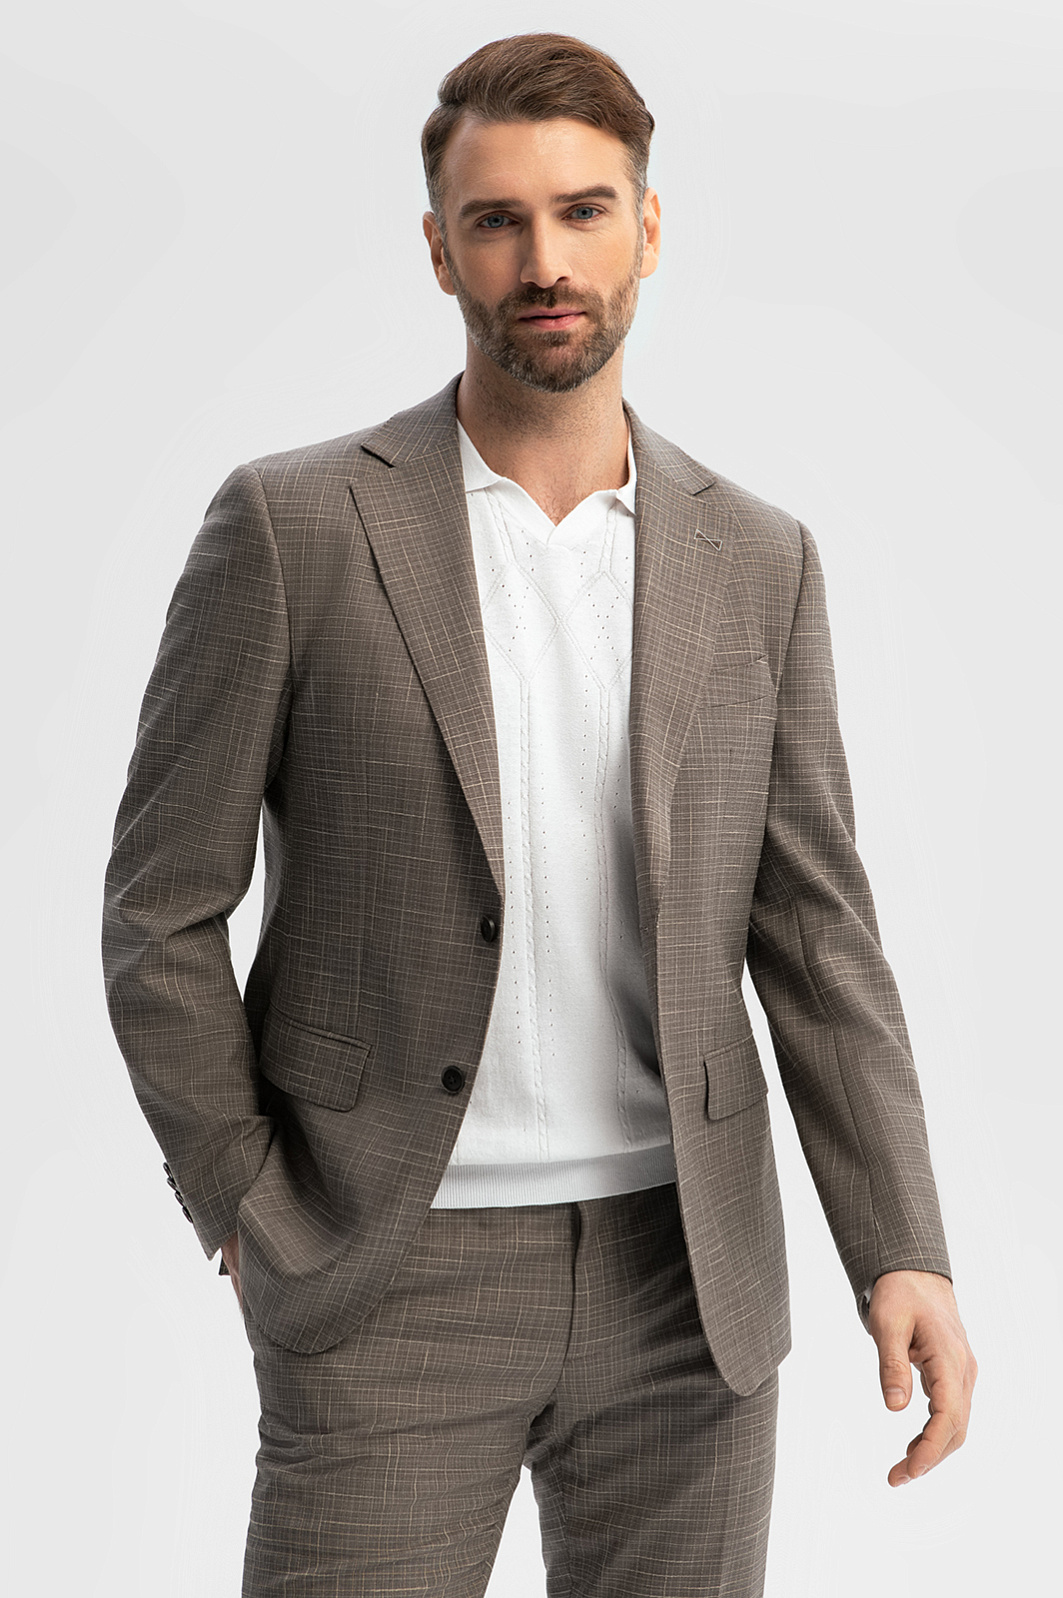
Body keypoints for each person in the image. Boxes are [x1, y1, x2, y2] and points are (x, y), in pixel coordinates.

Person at [102, 32, 976, 1598]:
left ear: (650, 228)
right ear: (440, 249)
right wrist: (246, 1200)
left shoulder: (760, 559)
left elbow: (816, 933)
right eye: (497, 220)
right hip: (385, 1268)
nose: (544, 260)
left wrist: (901, 1242)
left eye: (583, 212)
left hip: (686, 1281)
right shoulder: (295, 527)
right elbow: (158, 912)